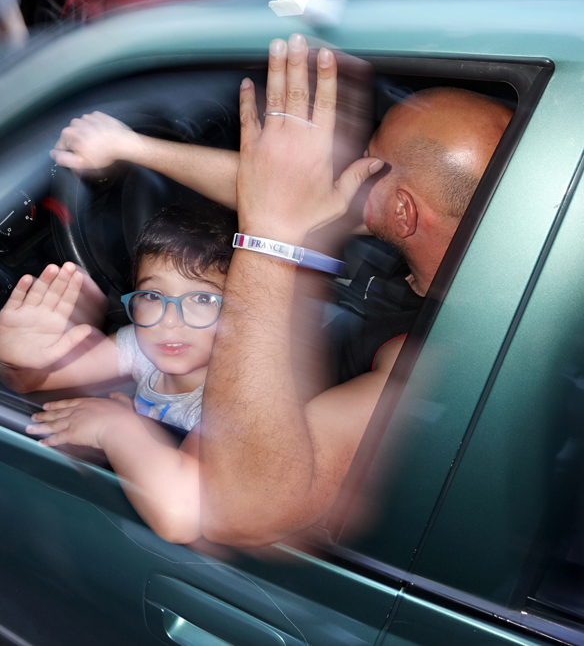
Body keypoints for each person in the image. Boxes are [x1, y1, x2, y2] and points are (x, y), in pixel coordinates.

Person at [51, 36, 513, 545]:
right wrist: (132, 147)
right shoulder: (459, 242)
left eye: (371, 162)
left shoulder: (430, 357)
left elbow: (232, 508)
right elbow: (282, 196)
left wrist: (268, 239)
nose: (355, 165)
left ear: (404, 211)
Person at [0, 203, 236, 542]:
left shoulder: (232, 401)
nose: (169, 320)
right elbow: (33, 382)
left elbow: (182, 517)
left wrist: (117, 425)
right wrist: (14, 360)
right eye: (152, 295)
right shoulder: (142, 349)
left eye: (204, 300)